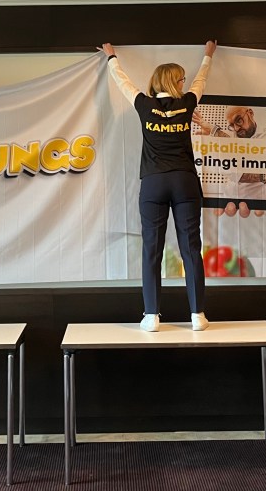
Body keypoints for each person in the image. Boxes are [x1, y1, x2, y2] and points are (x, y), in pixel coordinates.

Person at [101, 40, 217, 332]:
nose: (185, 82)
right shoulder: (187, 103)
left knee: (151, 249)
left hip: (153, 183)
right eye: (181, 79)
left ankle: (151, 315)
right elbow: (201, 80)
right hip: (184, 181)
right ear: (174, 82)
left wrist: (112, 57)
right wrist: (208, 55)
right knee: (191, 248)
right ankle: (197, 315)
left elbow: (122, 82)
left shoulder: (144, 104)